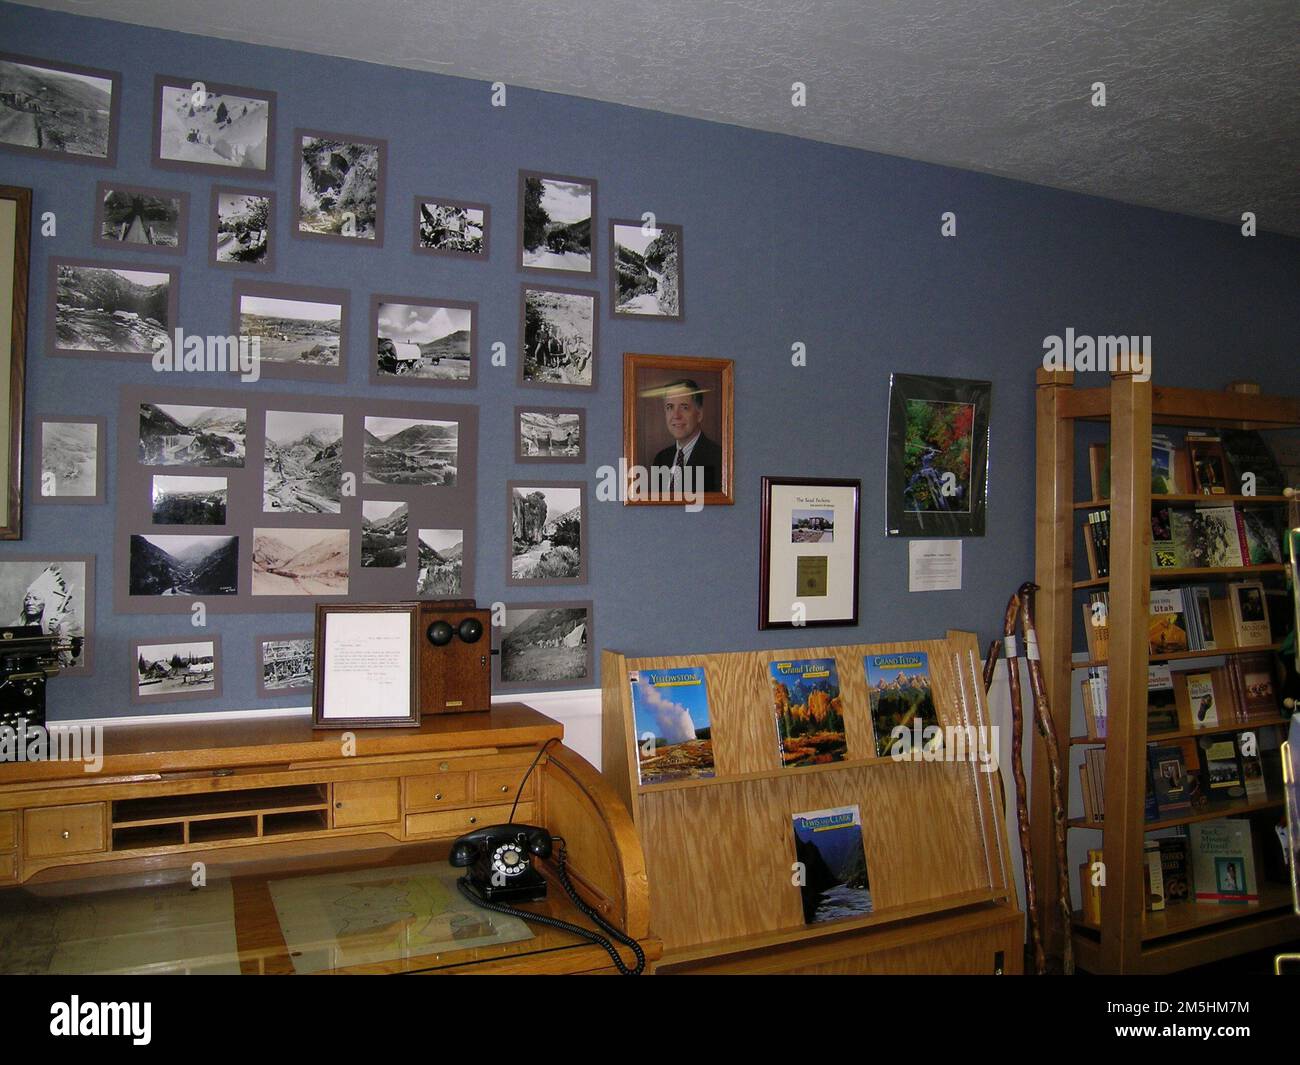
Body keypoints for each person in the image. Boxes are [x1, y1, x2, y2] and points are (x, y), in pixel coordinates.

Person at [650, 379, 722, 493]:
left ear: (699, 414)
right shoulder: (660, 459)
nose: (676, 415)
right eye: (670, 407)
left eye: (684, 407)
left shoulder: (719, 458)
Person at [11, 565, 84, 668]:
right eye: (27, 599)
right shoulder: (20, 622)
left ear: (47, 603)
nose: (29, 603)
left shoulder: (65, 624)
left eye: (36, 599)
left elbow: (67, 661)